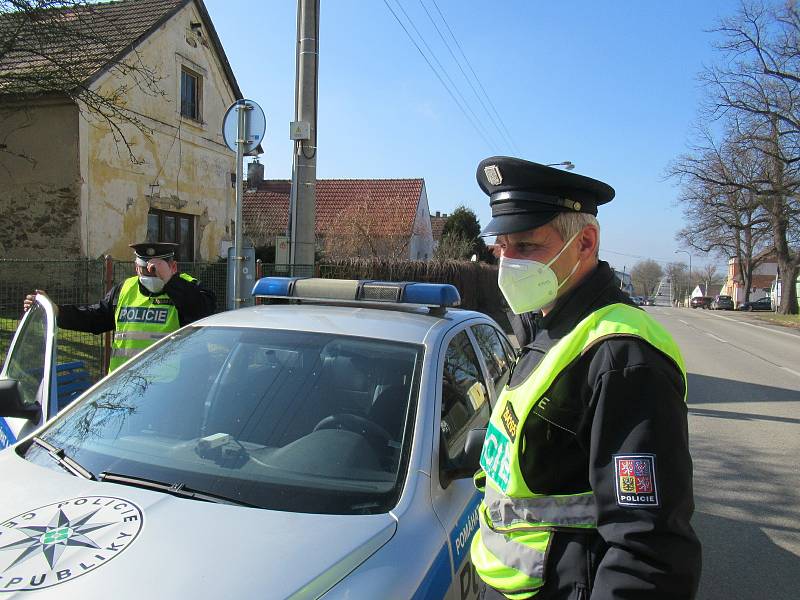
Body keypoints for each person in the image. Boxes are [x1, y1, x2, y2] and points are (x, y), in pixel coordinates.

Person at [469, 157, 701, 599]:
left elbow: (649, 553)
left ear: (586, 242)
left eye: (527, 246)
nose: (508, 262)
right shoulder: (551, 326)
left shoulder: (623, 357)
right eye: (502, 246)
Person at [24, 242, 216, 372]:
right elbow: (95, 317)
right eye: (145, 271)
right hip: (123, 383)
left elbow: (202, 312)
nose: (150, 277)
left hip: (171, 389)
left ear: (173, 267)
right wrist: (57, 311)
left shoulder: (190, 287)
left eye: (157, 271)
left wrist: (170, 281)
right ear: (136, 268)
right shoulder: (125, 289)